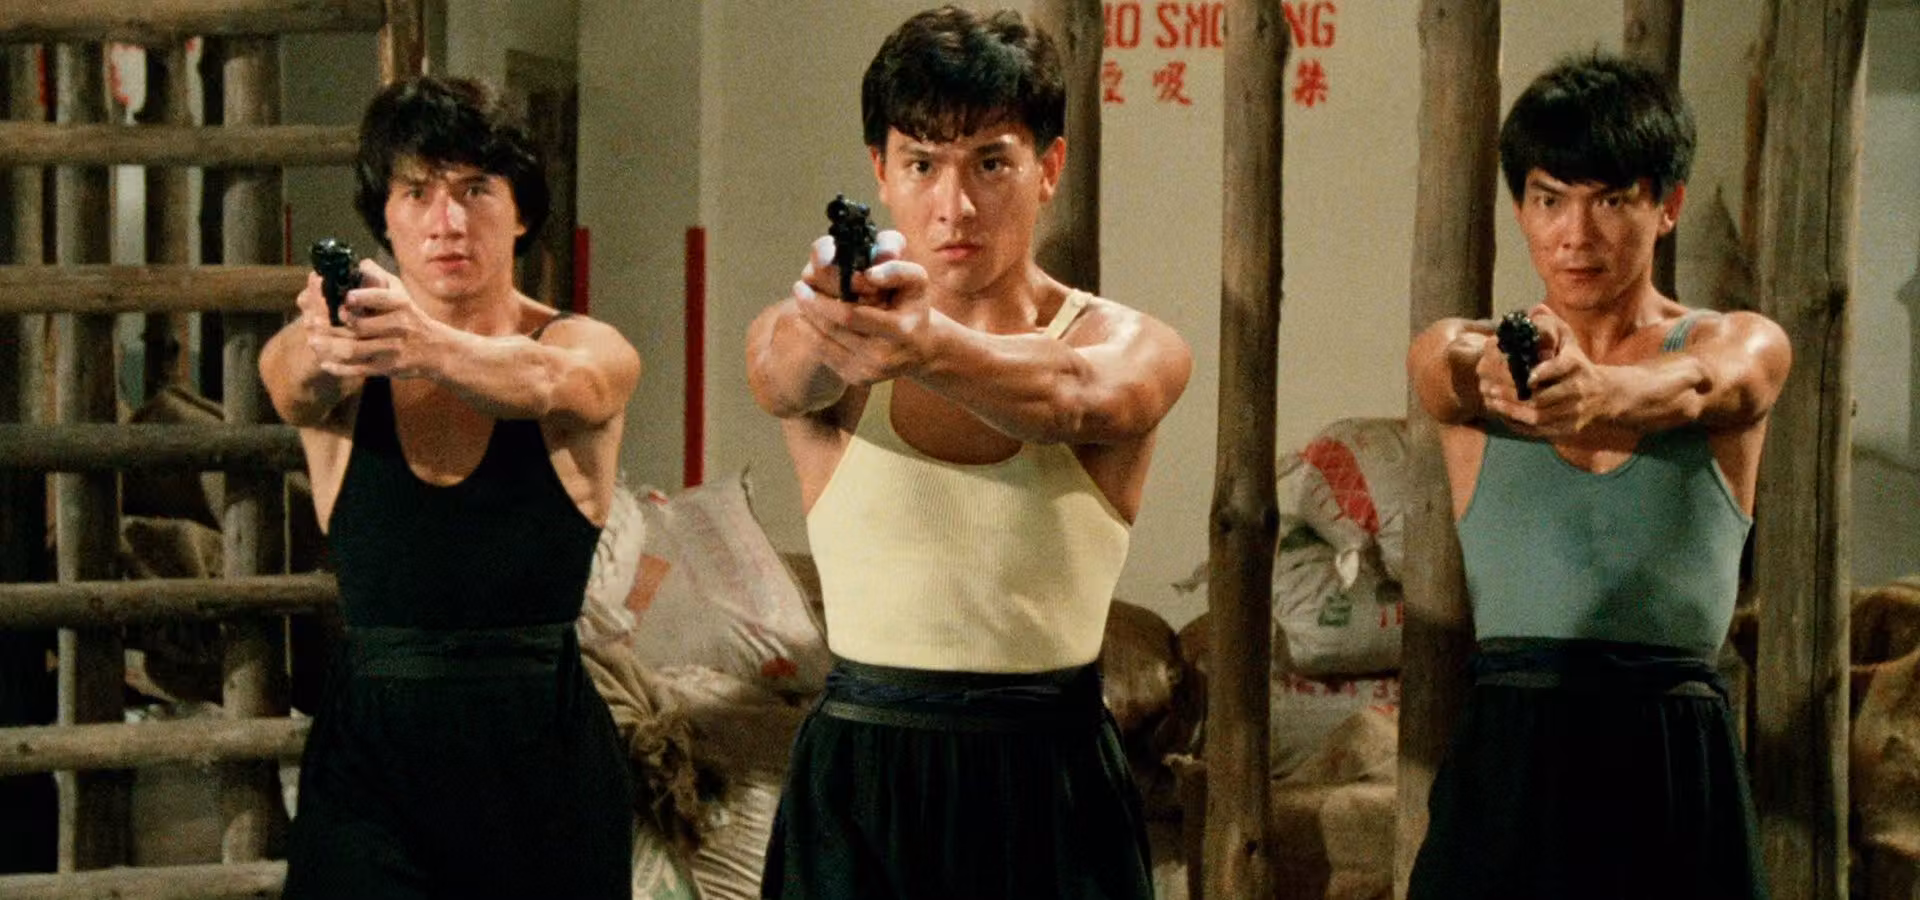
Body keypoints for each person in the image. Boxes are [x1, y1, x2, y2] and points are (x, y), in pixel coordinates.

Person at [745, 7, 1192, 898]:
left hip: (1049, 777)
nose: (955, 205)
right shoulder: (824, 332)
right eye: (922, 164)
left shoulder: (1126, 341)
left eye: (991, 162)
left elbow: (1078, 397)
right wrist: (834, 313)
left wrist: (927, 347)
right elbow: (780, 378)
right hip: (862, 774)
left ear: (1048, 168)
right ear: (881, 171)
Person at [1404, 53, 1791, 899]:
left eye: (1611, 200)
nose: (1576, 234)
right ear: (1520, 208)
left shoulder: (1737, 340)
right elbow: (1445, 367)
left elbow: (1713, 381)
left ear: (1667, 206)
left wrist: (1605, 391)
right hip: (1511, 753)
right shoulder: (1472, 350)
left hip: (1672, 752)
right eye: (1550, 200)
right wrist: (1497, 369)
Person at [260, 75, 641, 899]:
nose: (448, 221)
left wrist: (423, 344)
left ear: (521, 210)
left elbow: (559, 383)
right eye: (418, 192)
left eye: (475, 190)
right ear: (385, 216)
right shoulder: (344, 357)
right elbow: (288, 381)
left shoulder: (583, 344)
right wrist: (328, 341)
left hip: (540, 764)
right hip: (371, 767)